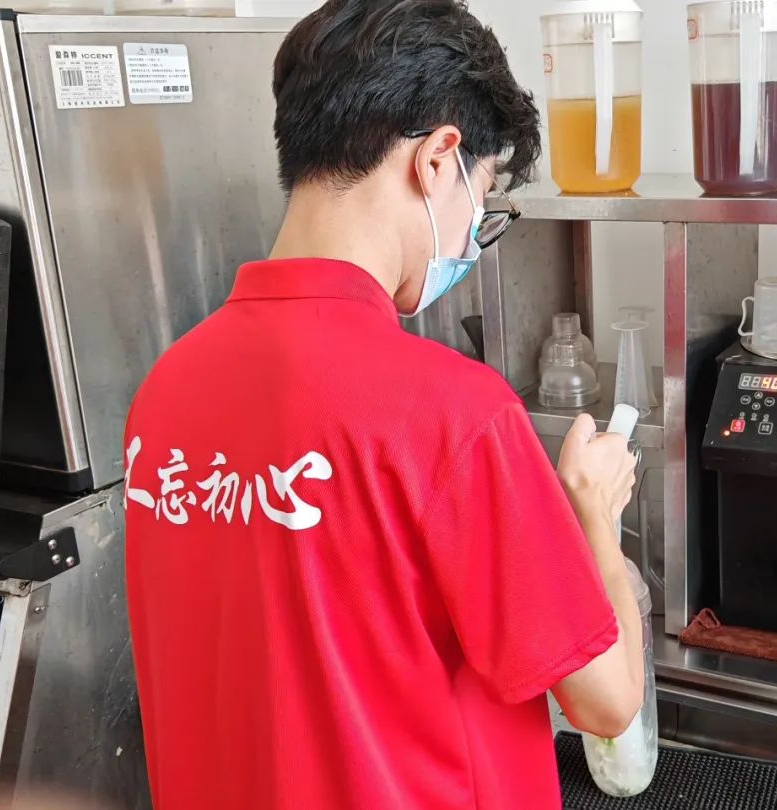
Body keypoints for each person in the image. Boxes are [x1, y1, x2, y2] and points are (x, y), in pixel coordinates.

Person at [123, 1, 643, 808]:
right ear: (437, 160)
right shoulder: (452, 415)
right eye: (483, 195)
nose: (471, 236)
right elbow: (607, 702)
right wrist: (595, 519)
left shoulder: (165, 391)